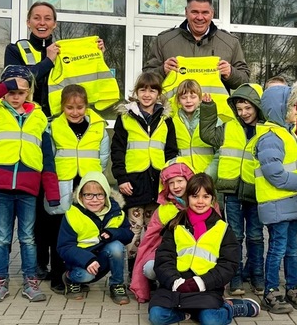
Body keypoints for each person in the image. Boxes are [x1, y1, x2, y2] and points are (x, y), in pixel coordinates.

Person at [0, 1, 105, 290]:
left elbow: (83, 85)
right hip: (29, 128)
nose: (42, 22)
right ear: (28, 21)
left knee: (53, 205)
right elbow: (17, 81)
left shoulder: (66, 49)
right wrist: (47, 60)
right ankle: (3, 270)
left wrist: (96, 55)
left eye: (48, 18)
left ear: (55, 24)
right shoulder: (16, 49)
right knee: (33, 206)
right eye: (36, 18)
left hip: (60, 129)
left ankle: (56, 264)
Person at [0, 65, 59, 303]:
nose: (15, 95)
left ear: (28, 93)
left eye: (20, 91)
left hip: (28, 188)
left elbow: (48, 159)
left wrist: (52, 193)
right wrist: (4, 86)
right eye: (10, 90)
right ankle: (0, 281)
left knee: (28, 237)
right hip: (2, 187)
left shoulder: (39, 118)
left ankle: (30, 282)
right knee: (1, 237)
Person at [148, 174, 260, 325]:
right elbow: (163, 258)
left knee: (211, 320)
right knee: (156, 316)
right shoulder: (175, 225)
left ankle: (231, 308)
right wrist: (175, 281)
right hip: (176, 286)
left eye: (205, 196)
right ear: (187, 198)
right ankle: (188, 313)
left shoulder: (223, 229)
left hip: (207, 286)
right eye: (195, 196)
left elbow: (228, 265)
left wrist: (201, 283)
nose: (200, 201)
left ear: (212, 199)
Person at [199, 83, 267, 296]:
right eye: (239, 109)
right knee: (235, 236)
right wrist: (208, 108)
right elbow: (208, 134)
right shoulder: (229, 127)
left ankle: (258, 278)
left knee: (256, 236)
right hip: (232, 192)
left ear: (257, 106)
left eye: (248, 108)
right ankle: (235, 279)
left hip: (256, 191)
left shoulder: (266, 129)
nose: (243, 113)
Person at [111, 72, 178, 277]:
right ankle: (134, 273)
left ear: (158, 94)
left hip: (157, 182)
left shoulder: (166, 119)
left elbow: (171, 151)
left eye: (152, 90)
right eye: (143, 90)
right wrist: (121, 178)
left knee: (154, 230)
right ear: (136, 92)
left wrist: (170, 180)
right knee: (134, 229)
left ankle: (150, 271)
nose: (147, 94)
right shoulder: (125, 118)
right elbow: (118, 150)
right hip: (134, 182)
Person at [255, 83, 297, 314]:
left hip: (289, 202)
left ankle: (292, 288)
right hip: (277, 202)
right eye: (294, 106)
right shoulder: (271, 137)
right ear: (280, 109)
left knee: (291, 248)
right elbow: (274, 173)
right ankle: (271, 291)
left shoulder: (288, 133)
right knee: (278, 248)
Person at [48, 84, 110, 293]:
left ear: (86, 106)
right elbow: (50, 156)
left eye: (80, 107)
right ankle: (58, 276)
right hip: (63, 184)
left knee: (85, 232)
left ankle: (79, 275)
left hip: (87, 187)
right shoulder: (53, 127)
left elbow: (103, 157)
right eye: (69, 108)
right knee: (61, 234)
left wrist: (94, 178)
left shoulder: (98, 126)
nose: (75, 112)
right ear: (62, 108)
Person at [143, 0, 250, 91]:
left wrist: (231, 73)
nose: (200, 17)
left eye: (205, 12)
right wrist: (162, 71)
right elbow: (146, 78)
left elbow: (244, 80)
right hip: (174, 110)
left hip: (216, 110)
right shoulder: (164, 41)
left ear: (212, 13)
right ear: (186, 12)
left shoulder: (230, 42)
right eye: (194, 12)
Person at [58, 172, 133, 305]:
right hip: (81, 263)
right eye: (88, 195)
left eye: (99, 195)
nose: (94, 199)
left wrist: (113, 233)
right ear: (80, 196)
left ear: (106, 196)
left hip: (102, 260)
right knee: (85, 276)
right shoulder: (72, 215)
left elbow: (128, 235)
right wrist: (87, 260)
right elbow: (64, 247)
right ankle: (70, 279)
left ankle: (117, 285)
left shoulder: (116, 213)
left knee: (116, 246)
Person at [130, 161, 195, 303]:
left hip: (195, 254)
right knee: (149, 268)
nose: (176, 186)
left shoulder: (201, 203)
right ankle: (166, 284)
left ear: (189, 180)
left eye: (179, 181)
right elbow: (149, 241)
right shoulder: (163, 210)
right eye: (171, 183)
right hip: (168, 254)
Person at [173, 80, 217, 175]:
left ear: (200, 98)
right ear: (178, 100)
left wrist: (209, 174)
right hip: (183, 179)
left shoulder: (212, 119)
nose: (188, 101)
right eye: (184, 97)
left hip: (207, 178)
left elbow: (220, 151)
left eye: (193, 97)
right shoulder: (173, 122)